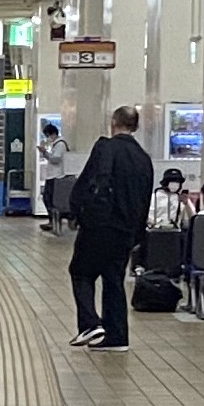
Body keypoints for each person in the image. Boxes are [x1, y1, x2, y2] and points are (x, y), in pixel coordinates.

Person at [68, 106, 154, 353]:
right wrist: (138, 234)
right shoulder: (143, 158)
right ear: (134, 126)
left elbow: (89, 181)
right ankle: (117, 337)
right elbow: (145, 199)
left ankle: (90, 323)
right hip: (127, 231)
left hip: (100, 225)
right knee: (113, 278)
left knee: (81, 272)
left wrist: (77, 211)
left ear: (113, 122)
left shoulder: (106, 147)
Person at [38, 122, 68, 233]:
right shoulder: (56, 144)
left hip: (56, 176)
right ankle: (52, 220)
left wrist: (45, 152)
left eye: (48, 135)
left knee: (50, 199)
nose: (48, 138)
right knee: (47, 198)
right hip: (52, 175)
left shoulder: (60, 144)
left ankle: (54, 221)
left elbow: (55, 159)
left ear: (53, 134)